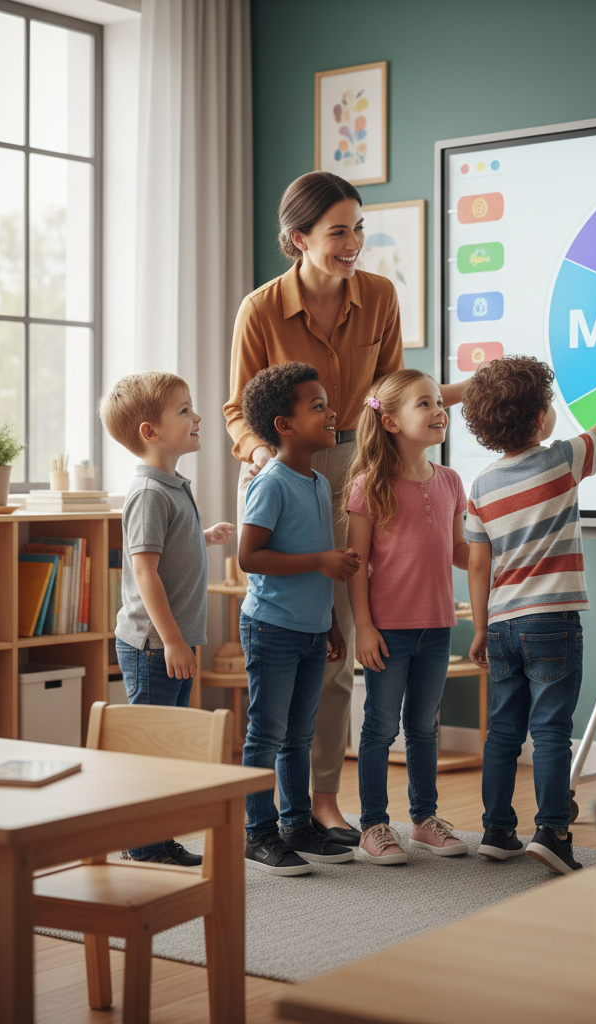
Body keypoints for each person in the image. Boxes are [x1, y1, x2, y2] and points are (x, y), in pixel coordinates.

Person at [225, 171, 468, 843]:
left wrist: (449, 402)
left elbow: (389, 395)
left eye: (359, 228)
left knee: (344, 642)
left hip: (358, 468)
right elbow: (235, 410)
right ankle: (287, 808)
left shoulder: (380, 296)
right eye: (338, 232)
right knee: (305, 644)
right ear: (297, 239)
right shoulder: (262, 310)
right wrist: (257, 455)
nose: (354, 243)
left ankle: (323, 799)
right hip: (288, 472)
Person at [463, 347, 596, 874]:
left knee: (503, 731)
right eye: (549, 403)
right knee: (550, 729)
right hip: (552, 619)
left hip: (501, 623)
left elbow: (477, 565)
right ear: (539, 416)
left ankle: (497, 830)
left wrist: (480, 627)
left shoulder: (480, 485)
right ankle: (552, 831)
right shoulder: (561, 459)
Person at [99, 371, 235, 865]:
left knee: (167, 745)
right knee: (152, 747)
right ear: (149, 432)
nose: (197, 417)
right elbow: (145, 573)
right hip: (154, 645)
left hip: (171, 642)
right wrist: (174, 642)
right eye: (184, 411)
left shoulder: (172, 487)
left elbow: (165, 550)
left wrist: (204, 538)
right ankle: (144, 845)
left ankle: (154, 837)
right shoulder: (150, 493)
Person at [237, 361, 362, 875]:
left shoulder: (313, 480)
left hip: (311, 629)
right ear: (283, 426)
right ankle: (258, 833)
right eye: (317, 407)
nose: (331, 413)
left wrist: (331, 624)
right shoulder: (271, 483)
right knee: (266, 733)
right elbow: (249, 557)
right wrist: (319, 563)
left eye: (328, 404)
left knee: (299, 734)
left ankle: (296, 824)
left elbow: (318, 557)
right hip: (272, 628)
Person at [345, 370, 470, 864]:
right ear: (392, 421)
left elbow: (460, 550)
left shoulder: (451, 482)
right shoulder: (368, 485)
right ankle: (373, 825)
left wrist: (495, 552)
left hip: (438, 626)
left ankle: (423, 820)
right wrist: (364, 627)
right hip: (388, 630)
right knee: (379, 728)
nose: (440, 410)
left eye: (440, 402)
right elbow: (355, 568)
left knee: (423, 727)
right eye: (426, 403)